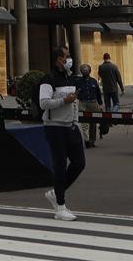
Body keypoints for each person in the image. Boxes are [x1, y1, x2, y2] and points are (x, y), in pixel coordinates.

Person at [39, 49, 85, 222]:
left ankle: (56, 192)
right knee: (59, 164)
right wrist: (63, 101)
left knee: (79, 163)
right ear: (58, 59)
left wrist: (76, 121)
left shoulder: (71, 78)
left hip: (70, 125)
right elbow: (43, 103)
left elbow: (75, 103)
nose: (69, 59)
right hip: (54, 126)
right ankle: (60, 207)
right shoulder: (48, 79)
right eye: (67, 57)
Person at [76, 63, 103, 147]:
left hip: (93, 103)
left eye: (86, 70)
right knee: (84, 122)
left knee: (93, 122)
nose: (85, 71)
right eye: (83, 70)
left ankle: (92, 140)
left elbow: (98, 93)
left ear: (89, 71)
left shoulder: (94, 81)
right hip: (83, 103)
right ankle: (86, 140)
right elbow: (75, 93)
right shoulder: (78, 82)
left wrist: (100, 104)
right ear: (81, 71)